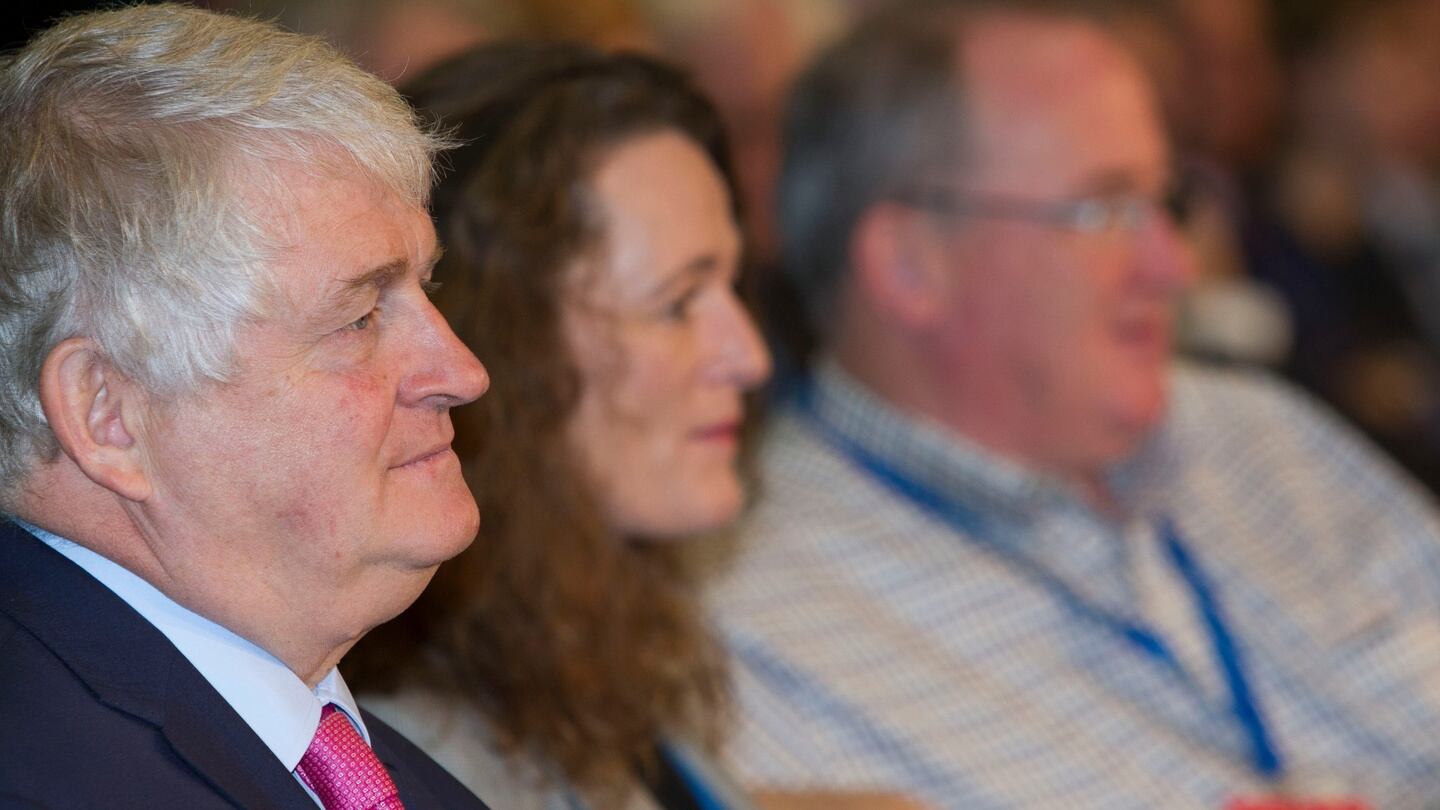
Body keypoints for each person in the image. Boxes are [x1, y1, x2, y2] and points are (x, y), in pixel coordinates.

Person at [703, 1, 1440, 808]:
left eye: (1169, 203)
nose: (1173, 269)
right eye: (1104, 212)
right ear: (911, 265)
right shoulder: (759, 637)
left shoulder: (1258, 434)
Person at [0, 5, 492, 808]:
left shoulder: (377, 773)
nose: (461, 371)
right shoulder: (42, 774)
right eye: (360, 318)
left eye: (425, 289)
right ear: (109, 413)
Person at [345, 42, 775, 810]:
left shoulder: (581, 637)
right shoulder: (419, 755)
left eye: (732, 285)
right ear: (500, 354)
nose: (747, 356)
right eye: (678, 303)